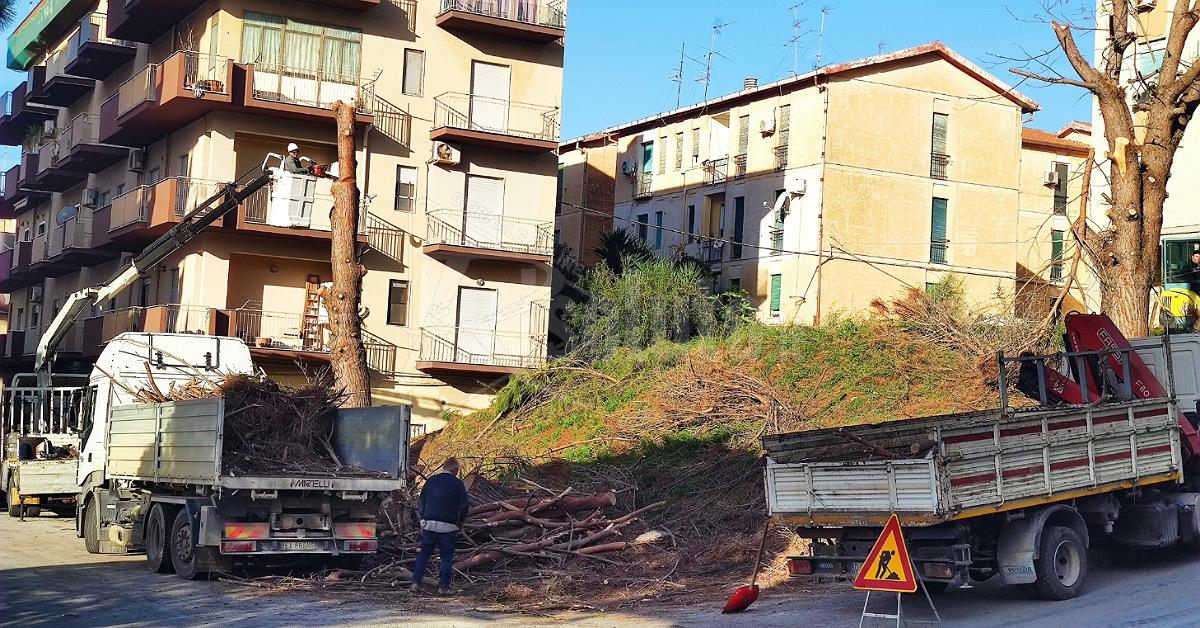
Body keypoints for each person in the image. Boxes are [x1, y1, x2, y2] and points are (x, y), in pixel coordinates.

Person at [411, 457, 469, 595]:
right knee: (446, 557)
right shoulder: (458, 484)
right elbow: (464, 507)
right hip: (448, 526)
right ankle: (444, 587)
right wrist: (460, 522)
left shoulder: (431, 481)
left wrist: (423, 519)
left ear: (444, 467)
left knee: (423, 554)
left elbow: (421, 502)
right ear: (456, 470)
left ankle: (415, 583)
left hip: (429, 524)